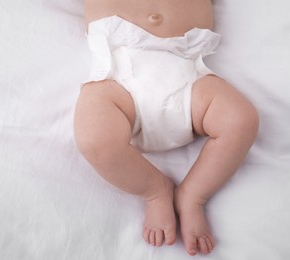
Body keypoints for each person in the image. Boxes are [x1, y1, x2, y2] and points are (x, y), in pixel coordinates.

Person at [74, 0, 259, 256]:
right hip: (117, 75)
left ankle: (193, 195)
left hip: (186, 71)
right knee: (95, 139)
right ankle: (154, 190)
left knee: (241, 120)